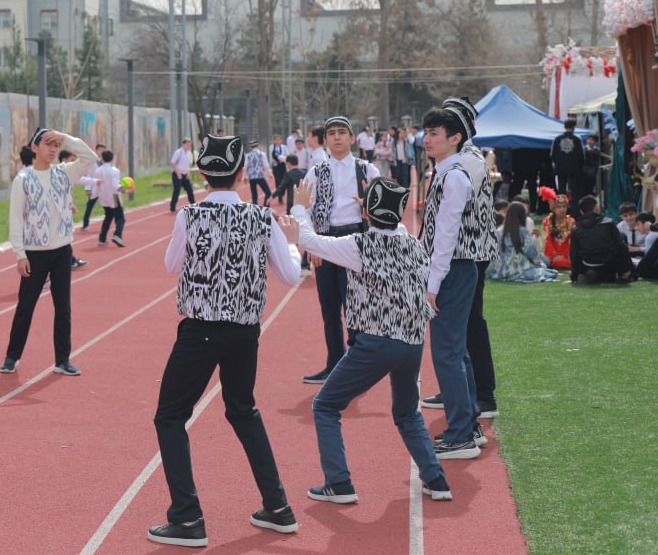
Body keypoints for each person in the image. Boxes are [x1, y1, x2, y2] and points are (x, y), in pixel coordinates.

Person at [147, 135, 301, 547]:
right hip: (245, 332)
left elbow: (171, 264)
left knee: (169, 417)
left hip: (200, 330)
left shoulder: (190, 215)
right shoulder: (262, 217)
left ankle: (187, 518)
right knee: (243, 411)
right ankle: (278, 507)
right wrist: (292, 243)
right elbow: (290, 276)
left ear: (202, 174)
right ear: (241, 175)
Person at [281, 177, 453, 506]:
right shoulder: (415, 245)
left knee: (325, 406)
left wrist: (300, 208)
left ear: (365, 212)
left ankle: (339, 483)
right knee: (407, 414)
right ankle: (436, 480)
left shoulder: (358, 245)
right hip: (412, 342)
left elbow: (309, 240)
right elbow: (390, 231)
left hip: (376, 342)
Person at [419, 99, 492, 460]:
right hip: (455, 268)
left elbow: (446, 235)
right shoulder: (448, 172)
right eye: (426, 132)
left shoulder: (456, 175)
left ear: (455, 138)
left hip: (454, 269)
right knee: (457, 351)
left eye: (434, 133)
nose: (427, 139)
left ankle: (460, 434)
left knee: (447, 353)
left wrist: (432, 286)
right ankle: (469, 424)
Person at [1, 127, 96, 376]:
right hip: (34, 253)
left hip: (62, 251)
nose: (53, 149)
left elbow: (90, 157)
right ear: (35, 148)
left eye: (56, 145)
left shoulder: (65, 173)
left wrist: (66, 138)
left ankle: (62, 360)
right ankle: (12, 356)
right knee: (26, 306)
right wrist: (20, 254)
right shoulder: (23, 180)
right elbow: (15, 219)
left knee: (63, 308)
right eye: (48, 144)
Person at [300, 117, 380, 384]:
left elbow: (384, 210)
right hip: (325, 241)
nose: (337, 137)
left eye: (342, 132)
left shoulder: (367, 170)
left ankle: (357, 366)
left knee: (355, 305)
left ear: (352, 138)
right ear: (324, 140)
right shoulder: (315, 172)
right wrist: (312, 244)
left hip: (355, 240)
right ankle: (334, 364)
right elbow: (305, 209)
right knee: (329, 308)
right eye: (331, 133)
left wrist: (368, 208)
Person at [487, 201, 558, 283]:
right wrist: (541, 265)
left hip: (501, 271)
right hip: (520, 269)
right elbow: (532, 253)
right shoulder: (522, 232)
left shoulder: (498, 232)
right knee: (548, 266)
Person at [569, 195, 632, 284]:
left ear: (581, 212)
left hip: (587, 263)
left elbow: (574, 254)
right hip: (608, 264)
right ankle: (624, 274)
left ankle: (588, 273)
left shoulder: (576, 229)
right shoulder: (608, 223)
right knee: (621, 238)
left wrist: (573, 276)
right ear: (596, 208)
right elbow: (621, 246)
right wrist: (626, 269)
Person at [93, 149, 126, 247]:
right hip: (114, 196)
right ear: (112, 159)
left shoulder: (98, 170)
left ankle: (102, 238)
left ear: (102, 158)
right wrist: (125, 190)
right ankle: (117, 235)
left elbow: (96, 184)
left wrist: (95, 194)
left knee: (108, 216)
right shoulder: (115, 171)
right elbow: (115, 185)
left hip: (103, 196)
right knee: (120, 217)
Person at [550, 119, 584, 202]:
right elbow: (581, 157)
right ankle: (575, 209)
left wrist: (559, 164)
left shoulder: (557, 139)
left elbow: (553, 155)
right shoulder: (577, 139)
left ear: (564, 127)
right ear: (574, 127)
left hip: (560, 169)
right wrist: (578, 166)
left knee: (561, 191)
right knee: (575, 192)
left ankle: (561, 208)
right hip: (574, 169)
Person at [540, 193, 574, 271]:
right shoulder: (547, 221)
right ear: (553, 208)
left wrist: (564, 255)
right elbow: (547, 241)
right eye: (559, 207)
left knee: (561, 262)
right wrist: (555, 255)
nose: (562, 209)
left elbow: (572, 242)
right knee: (556, 262)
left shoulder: (571, 221)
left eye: (564, 206)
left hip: (567, 255)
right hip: (551, 256)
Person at [81, 143, 107, 230]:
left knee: (110, 206)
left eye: (103, 150)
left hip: (104, 188)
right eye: (99, 150)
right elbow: (89, 175)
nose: (101, 152)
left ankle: (116, 221)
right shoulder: (93, 162)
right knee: (89, 206)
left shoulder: (107, 162)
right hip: (94, 188)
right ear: (96, 151)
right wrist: (88, 188)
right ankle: (85, 224)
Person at [169, 138, 195, 212]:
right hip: (177, 174)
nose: (188, 146)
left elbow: (187, 164)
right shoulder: (178, 152)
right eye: (187, 145)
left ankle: (193, 205)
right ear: (183, 144)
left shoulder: (188, 153)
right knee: (177, 191)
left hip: (184, 175)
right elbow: (172, 163)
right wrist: (178, 173)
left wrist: (188, 172)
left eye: (190, 145)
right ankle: (172, 208)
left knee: (190, 190)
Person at [244, 140, 272, 207]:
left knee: (254, 195)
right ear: (258, 145)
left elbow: (245, 167)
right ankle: (265, 207)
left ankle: (254, 210)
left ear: (251, 147)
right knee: (268, 193)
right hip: (260, 176)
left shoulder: (248, 155)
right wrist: (269, 173)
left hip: (251, 177)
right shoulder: (262, 154)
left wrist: (245, 176)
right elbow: (266, 165)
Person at [582, 134, 605, 199]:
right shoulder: (583, 149)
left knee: (590, 188)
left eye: (592, 140)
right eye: (589, 139)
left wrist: (595, 170)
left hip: (592, 172)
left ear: (595, 141)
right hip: (583, 172)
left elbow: (597, 163)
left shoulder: (597, 151)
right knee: (583, 189)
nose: (590, 141)